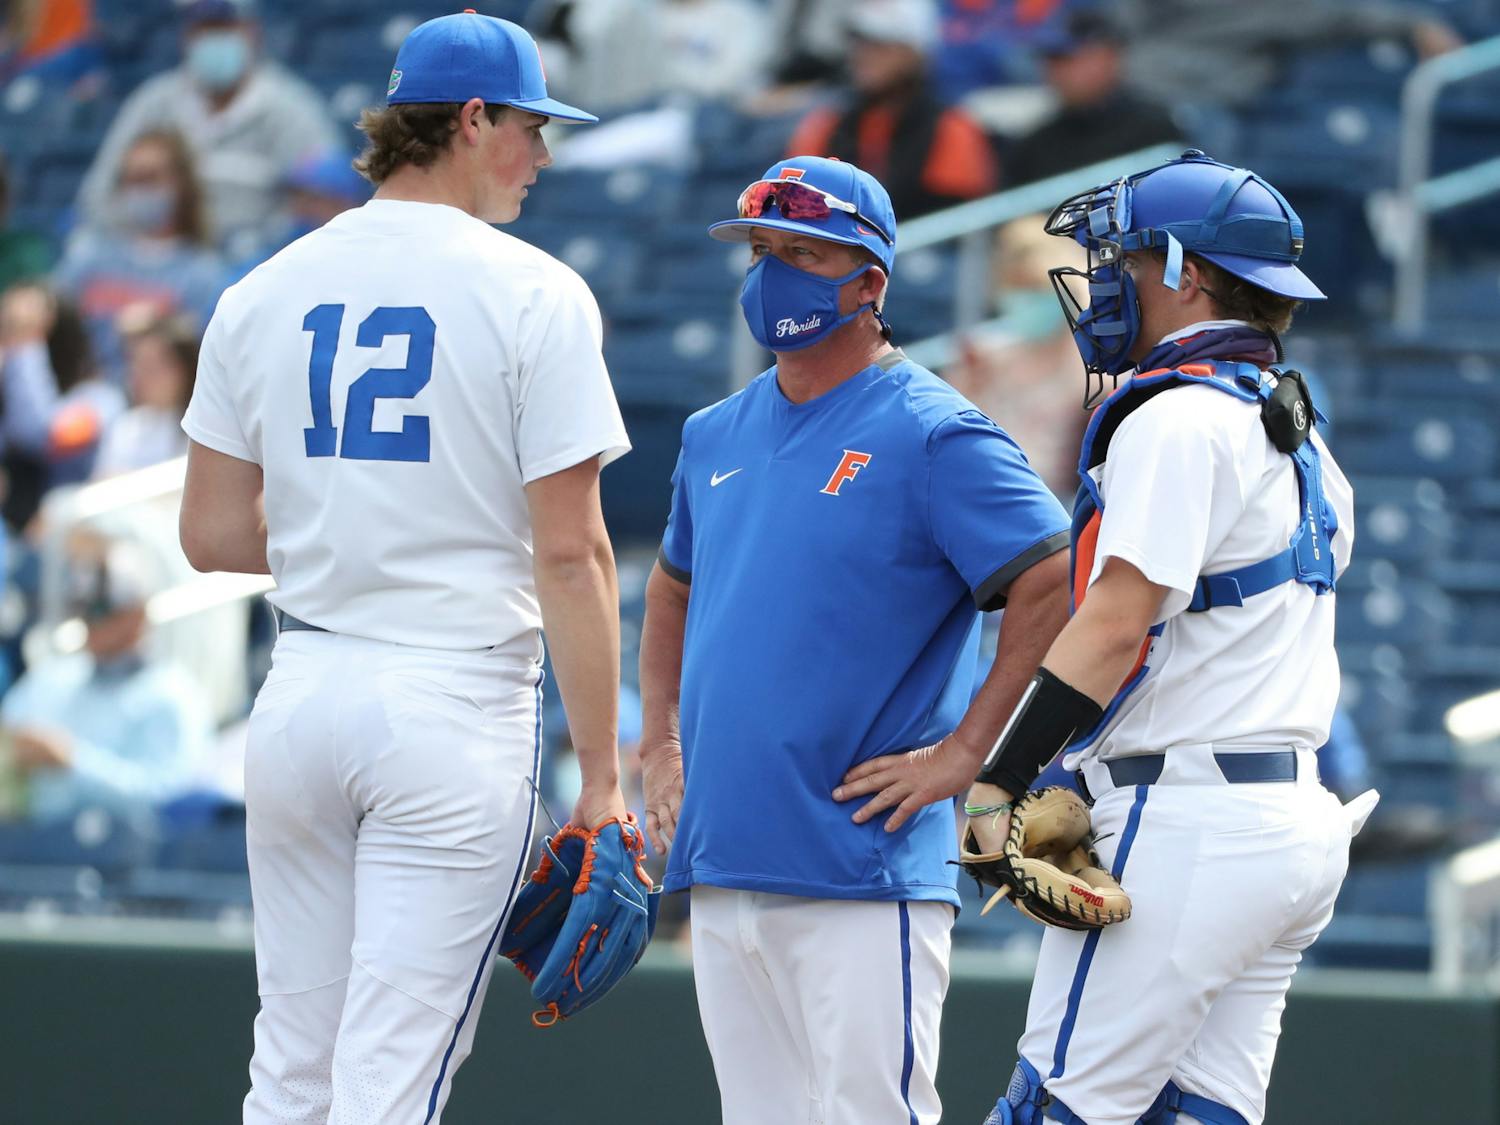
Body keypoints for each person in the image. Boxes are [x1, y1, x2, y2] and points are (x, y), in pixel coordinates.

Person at [177, 13, 631, 1123]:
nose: (543, 155)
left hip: (301, 693)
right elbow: (571, 558)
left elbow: (213, 539)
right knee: (393, 1079)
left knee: (289, 1066)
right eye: (531, 127)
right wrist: (606, 780)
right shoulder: (534, 289)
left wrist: (360, 520)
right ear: (472, 121)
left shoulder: (262, 287)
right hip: (451, 699)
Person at [639, 155, 1072, 1123]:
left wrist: (970, 754)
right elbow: (669, 593)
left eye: (802, 252)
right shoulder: (715, 431)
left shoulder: (935, 432)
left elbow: (1053, 580)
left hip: (861, 865)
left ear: (870, 282)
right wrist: (656, 741)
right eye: (763, 251)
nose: (773, 275)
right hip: (722, 854)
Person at [965, 150, 1377, 1125]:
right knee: (1195, 1116)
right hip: (1291, 825)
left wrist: (1002, 778)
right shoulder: (1300, 435)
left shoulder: (1182, 418)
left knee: (1050, 1111)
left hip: (1188, 822)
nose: (1109, 276)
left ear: (1186, 269)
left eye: (1129, 255)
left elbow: (1114, 626)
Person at [75, 0, 337, 247]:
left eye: (223, 27)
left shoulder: (290, 108)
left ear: (252, 31)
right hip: (162, 262)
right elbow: (97, 196)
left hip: (252, 268)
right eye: (202, 28)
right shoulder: (153, 103)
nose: (212, 38)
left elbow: (327, 200)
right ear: (186, 36)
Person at [0, 535, 208, 824]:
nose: (91, 624)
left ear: (138, 613)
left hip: (128, 862)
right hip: (34, 854)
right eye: (83, 609)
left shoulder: (172, 694)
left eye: (102, 609)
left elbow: (170, 800)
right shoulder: (52, 677)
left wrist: (72, 761)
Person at [784, 0, 997, 219]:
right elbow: (796, 201)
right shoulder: (827, 122)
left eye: (881, 45)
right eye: (860, 42)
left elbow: (954, 222)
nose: (863, 54)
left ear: (915, 53)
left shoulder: (952, 128)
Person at [53, 129, 227, 383]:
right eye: (130, 180)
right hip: (82, 398)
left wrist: (161, 329)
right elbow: (53, 319)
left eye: (150, 179)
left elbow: (202, 360)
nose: (139, 191)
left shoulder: (204, 273)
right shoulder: (89, 256)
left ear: (180, 185)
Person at [1000, 7, 1182, 189]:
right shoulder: (1034, 147)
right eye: (1052, 61)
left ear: (1109, 57)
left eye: (1069, 58)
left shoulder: (1154, 128)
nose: (1058, 72)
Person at [91, 309, 197, 478]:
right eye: (138, 365)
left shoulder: (203, 428)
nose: (141, 376)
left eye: (153, 367)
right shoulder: (123, 428)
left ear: (184, 369)